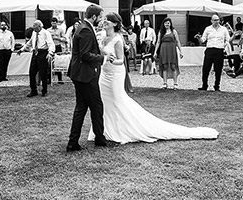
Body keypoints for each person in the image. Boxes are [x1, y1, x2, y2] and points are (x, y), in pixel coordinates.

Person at [92, 13, 219, 144]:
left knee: (117, 99)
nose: (104, 22)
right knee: (104, 100)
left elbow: (120, 60)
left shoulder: (117, 39)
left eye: (107, 20)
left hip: (115, 73)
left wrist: (110, 60)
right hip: (104, 73)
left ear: (114, 24)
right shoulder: (103, 36)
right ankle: (105, 129)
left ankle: (122, 129)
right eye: (104, 19)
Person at [66, 4, 109, 151]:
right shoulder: (85, 30)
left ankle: (73, 142)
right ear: (94, 16)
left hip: (79, 74)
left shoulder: (83, 27)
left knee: (81, 107)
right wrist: (102, 58)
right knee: (96, 106)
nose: (101, 20)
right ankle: (100, 139)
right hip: (85, 75)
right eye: (101, 17)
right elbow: (85, 55)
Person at [198, 14, 232, 92]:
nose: (216, 21)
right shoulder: (208, 29)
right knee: (206, 68)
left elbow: (228, 39)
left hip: (219, 50)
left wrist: (233, 37)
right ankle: (204, 85)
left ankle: (217, 86)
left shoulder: (223, 29)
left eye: (217, 20)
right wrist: (199, 38)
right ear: (211, 21)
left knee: (218, 69)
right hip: (209, 50)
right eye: (215, 20)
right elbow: (203, 40)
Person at [22, 19, 53, 97]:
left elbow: (51, 43)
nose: (34, 30)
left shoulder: (46, 33)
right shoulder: (34, 32)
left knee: (43, 73)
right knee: (32, 72)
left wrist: (50, 53)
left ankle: (44, 90)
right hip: (35, 53)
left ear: (40, 27)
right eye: (34, 28)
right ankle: (33, 90)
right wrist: (22, 49)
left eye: (35, 28)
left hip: (43, 53)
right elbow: (30, 41)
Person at [155, 19, 184, 89]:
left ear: (170, 24)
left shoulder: (174, 31)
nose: (167, 24)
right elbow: (158, 42)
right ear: (163, 24)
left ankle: (175, 83)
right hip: (164, 50)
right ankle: (165, 83)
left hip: (172, 50)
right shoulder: (161, 32)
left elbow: (177, 41)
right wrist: (155, 52)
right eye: (165, 23)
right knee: (164, 66)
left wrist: (181, 51)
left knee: (173, 66)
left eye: (168, 23)